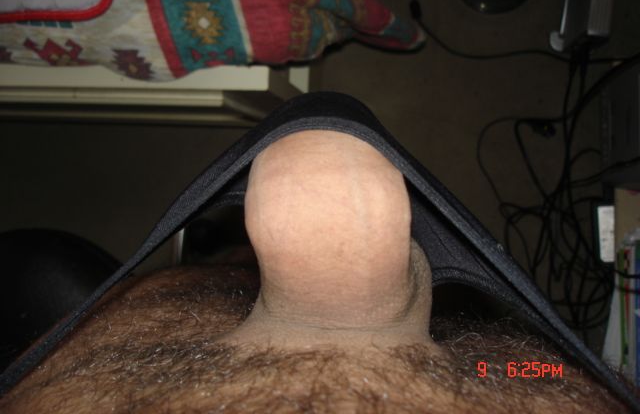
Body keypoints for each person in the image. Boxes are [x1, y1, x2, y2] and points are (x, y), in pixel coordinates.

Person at [0, 131, 629, 413]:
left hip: (98, 342)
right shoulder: (516, 371)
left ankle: (224, 270)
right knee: (525, 370)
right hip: (496, 373)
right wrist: (513, 372)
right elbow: (518, 371)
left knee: (41, 269)